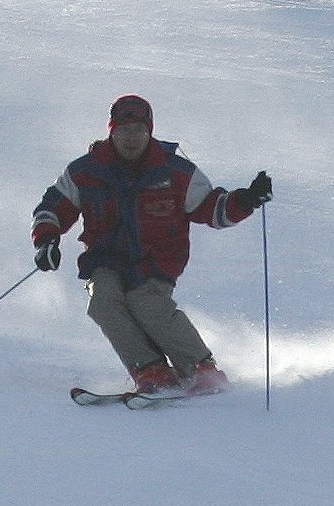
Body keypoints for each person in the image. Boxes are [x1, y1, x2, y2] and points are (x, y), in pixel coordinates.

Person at [31, 94, 272, 395]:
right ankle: (151, 370)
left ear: (150, 131)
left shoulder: (175, 172)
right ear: (111, 131)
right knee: (103, 300)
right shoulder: (87, 171)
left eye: (139, 132)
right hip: (105, 258)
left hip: (156, 259)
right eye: (123, 131)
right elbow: (52, 207)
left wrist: (246, 200)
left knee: (146, 302)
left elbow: (212, 208)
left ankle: (201, 370)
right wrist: (47, 239)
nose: (131, 139)